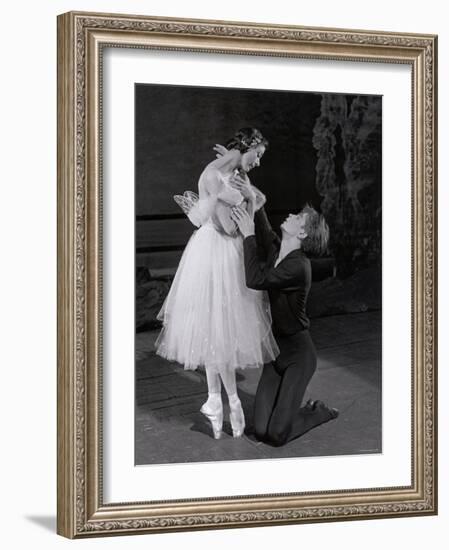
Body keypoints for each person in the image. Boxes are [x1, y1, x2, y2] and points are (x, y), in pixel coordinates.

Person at [155, 128, 279, 440]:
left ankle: (215, 401)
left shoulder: (231, 171)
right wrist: (244, 198)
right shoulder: (214, 177)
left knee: (217, 330)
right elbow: (226, 226)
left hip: (226, 252)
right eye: (259, 156)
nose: (259, 163)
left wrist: (240, 177)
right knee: (217, 327)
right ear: (249, 147)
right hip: (216, 253)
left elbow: (253, 199)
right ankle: (229, 401)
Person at [230, 203, 339, 446]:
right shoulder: (279, 252)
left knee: (277, 435)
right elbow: (267, 232)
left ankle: (319, 412)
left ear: (302, 233)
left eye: (298, 217)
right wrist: (256, 203)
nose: (290, 213)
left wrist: (248, 234)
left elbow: (255, 279)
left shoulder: (298, 266)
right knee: (260, 431)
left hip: (299, 357)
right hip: (276, 354)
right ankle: (290, 411)